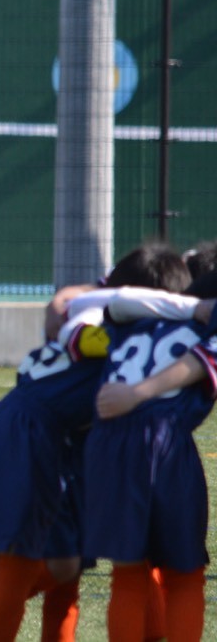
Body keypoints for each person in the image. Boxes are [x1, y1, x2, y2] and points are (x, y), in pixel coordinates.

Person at [0, 243, 192, 642]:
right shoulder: (111, 333)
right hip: (31, 435)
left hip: (45, 437)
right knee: (12, 563)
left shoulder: (94, 310)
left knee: (63, 570)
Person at [81, 262, 217, 642]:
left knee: (128, 571)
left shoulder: (137, 320)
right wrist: (139, 395)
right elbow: (199, 363)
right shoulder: (203, 327)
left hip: (106, 441)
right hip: (162, 441)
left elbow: (115, 301)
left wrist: (188, 307)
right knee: (185, 573)